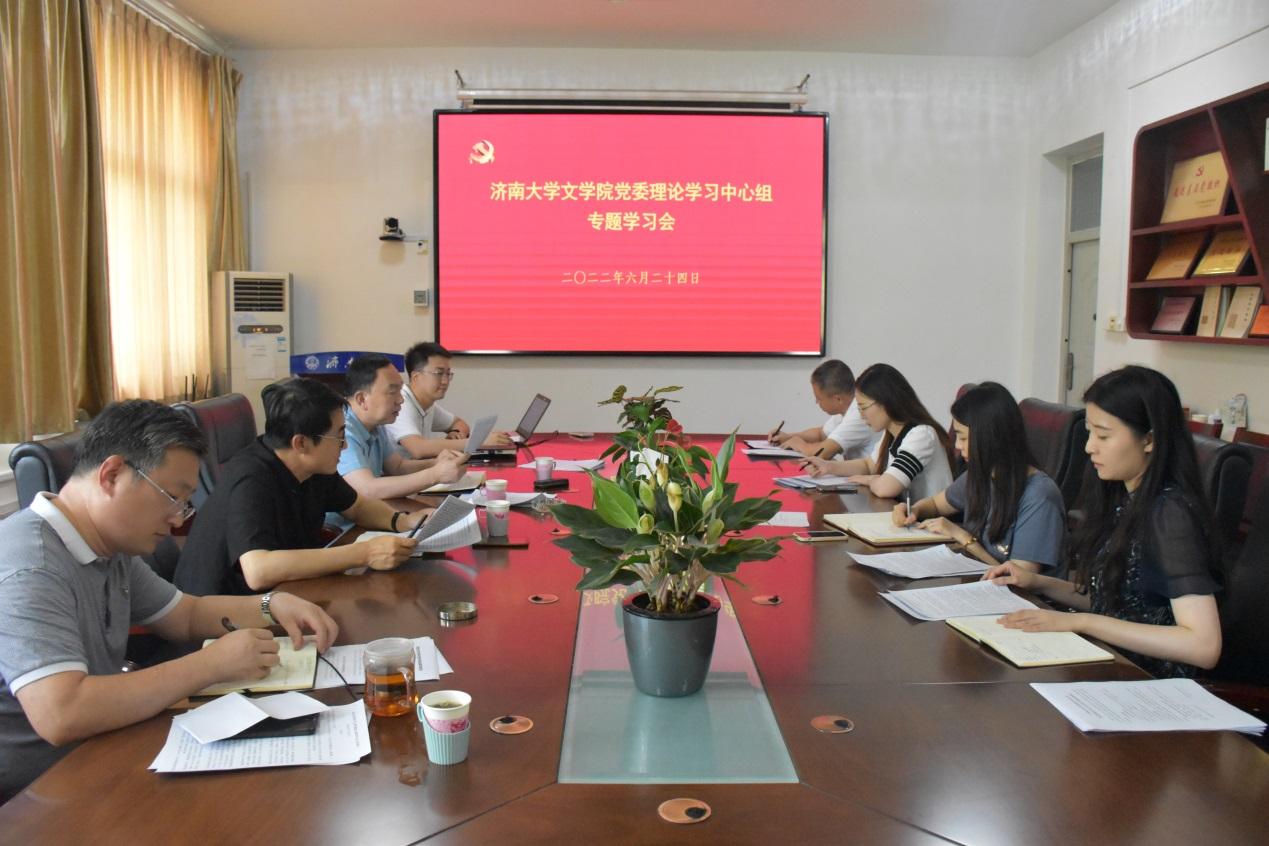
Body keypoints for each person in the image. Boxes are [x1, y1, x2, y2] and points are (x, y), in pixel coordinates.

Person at [0, 400, 338, 804]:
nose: (178, 519)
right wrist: (212, 664)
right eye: (172, 497)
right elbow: (62, 713)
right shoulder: (29, 566)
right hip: (37, 793)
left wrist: (272, 604)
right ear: (111, 475)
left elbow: (185, 615)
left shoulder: (109, 546)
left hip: (101, 748)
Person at [986, 366, 1222, 678]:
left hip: (1149, 683)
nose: (1089, 447)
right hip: (1112, 664)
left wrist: (1080, 622)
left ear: (1149, 439)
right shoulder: (1124, 497)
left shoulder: (1170, 514)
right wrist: (1038, 582)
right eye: (1089, 432)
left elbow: (1203, 645)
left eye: (1104, 435)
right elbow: (1114, 602)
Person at [174, 377, 423, 595]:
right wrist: (364, 553)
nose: (345, 446)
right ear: (301, 443)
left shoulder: (314, 466)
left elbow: (357, 507)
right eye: (339, 437)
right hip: (223, 612)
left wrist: (404, 522)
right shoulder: (251, 477)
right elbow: (258, 570)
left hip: (282, 596)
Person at [892, 382, 1066, 573]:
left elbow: (1018, 579)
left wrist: (962, 537)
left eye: (963, 438)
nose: (957, 445)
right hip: (976, 579)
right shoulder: (981, 474)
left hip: (1011, 591)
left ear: (990, 437)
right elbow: (935, 504)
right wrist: (913, 510)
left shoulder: (1039, 496)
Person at [804, 363, 954, 501]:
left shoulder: (921, 435)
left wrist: (870, 479)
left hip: (930, 519)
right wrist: (828, 466)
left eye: (863, 407)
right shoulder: (891, 434)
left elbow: (885, 488)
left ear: (886, 402)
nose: (861, 415)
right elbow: (869, 465)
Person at [336, 353, 467, 510]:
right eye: (392, 392)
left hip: (372, 510)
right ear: (362, 399)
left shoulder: (375, 424)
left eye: (400, 391)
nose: (401, 400)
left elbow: (397, 467)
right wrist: (435, 474)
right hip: (346, 522)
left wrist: (436, 463)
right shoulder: (342, 429)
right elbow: (368, 489)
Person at [385, 342, 510, 458]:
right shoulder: (401, 403)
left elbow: (460, 423)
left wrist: (456, 433)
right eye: (439, 373)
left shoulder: (428, 404)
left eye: (448, 374)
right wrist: (478, 442)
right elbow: (418, 448)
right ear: (416, 377)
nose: (445, 381)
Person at [767, 359, 879, 459]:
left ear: (838, 399)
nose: (816, 402)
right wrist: (788, 437)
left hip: (869, 475)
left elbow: (822, 453)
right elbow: (821, 434)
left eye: (819, 398)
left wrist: (801, 445)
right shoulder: (846, 408)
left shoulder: (860, 414)